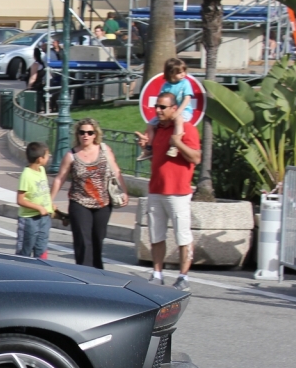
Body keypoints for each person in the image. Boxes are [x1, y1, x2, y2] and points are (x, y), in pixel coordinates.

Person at [136, 91, 201, 290]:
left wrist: (178, 142)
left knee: (182, 235)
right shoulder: (158, 129)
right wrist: (146, 146)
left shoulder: (187, 130)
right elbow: (153, 153)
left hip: (178, 192)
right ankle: (157, 273)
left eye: (162, 107)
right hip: (156, 189)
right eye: (157, 106)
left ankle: (183, 277)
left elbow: (196, 158)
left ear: (174, 108)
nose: (158, 110)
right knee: (156, 234)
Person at [49, 117, 127, 270]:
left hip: (103, 203)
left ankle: (97, 273)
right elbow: (60, 179)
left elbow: (116, 171)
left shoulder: (104, 150)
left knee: (98, 239)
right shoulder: (71, 155)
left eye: (90, 133)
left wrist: (124, 192)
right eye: (82, 132)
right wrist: (49, 200)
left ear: (95, 134)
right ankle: (84, 273)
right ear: (77, 134)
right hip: (79, 202)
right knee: (83, 241)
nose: (86, 135)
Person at [140, 58, 195, 161]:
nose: (183, 74)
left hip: (184, 111)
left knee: (178, 120)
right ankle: (149, 147)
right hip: (170, 111)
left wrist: (178, 112)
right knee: (150, 124)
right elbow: (162, 99)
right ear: (171, 73)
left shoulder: (185, 83)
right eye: (179, 72)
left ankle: (174, 145)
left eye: (184, 71)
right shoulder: (166, 85)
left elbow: (187, 98)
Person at [15, 142, 53, 259]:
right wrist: (38, 207)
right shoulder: (26, 175)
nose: (49, 157)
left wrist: (50, 206)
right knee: (25, 250)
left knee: (42, 248)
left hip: (44, 218)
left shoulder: (41, 170)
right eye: (47, 155)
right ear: (39, 159)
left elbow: (43, 192)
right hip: (29, 220)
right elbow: (20, 200)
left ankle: (41, 271)